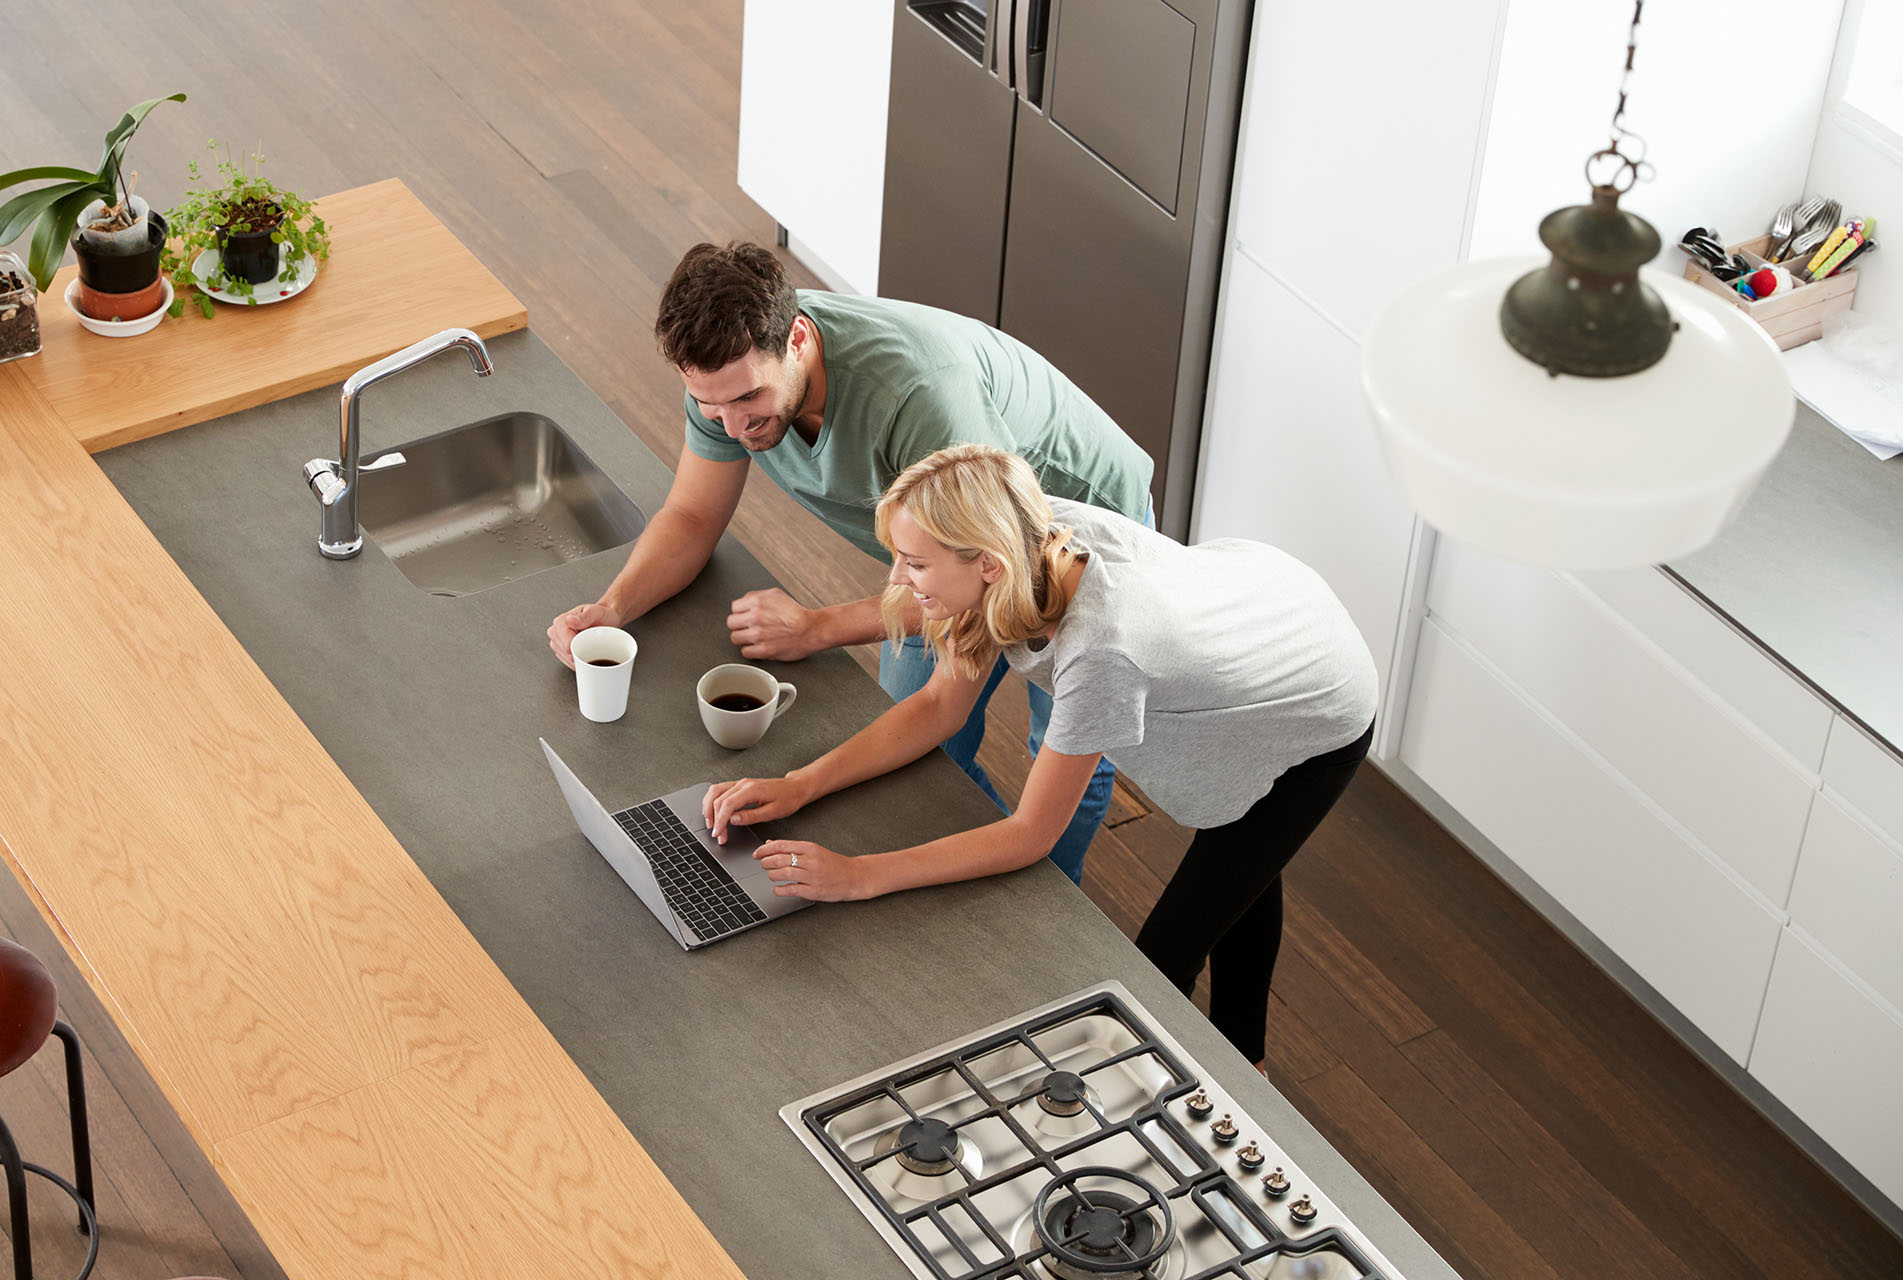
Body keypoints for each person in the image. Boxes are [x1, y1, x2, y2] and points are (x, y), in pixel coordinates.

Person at [700, 445, 1378, 1068]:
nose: (899, 584)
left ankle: (1231, 1077)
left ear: (985, 565)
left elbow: (1029, 835)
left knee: (1164, 960)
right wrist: (800, 784)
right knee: (1241, 852)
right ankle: (1246, 1056)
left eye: (915, 562)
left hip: (1314, 696)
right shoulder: (1018, 531)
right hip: (1254, 607)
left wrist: (859, 875)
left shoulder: (1102, 649)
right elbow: (941, 707)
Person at [547, 242, 1153, 882]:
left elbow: (993, 571)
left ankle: (1050, 904)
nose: (729, 426)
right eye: (707, 404)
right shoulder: (726, 383)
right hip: (940, 562)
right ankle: (1005, 866)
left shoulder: (919, 399)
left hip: (1062, 541)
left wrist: (818, 627)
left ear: (799, 339)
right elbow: (694, 517)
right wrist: (612, 610)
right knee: (913, 733)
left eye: (747, 399)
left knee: (1059, 746)